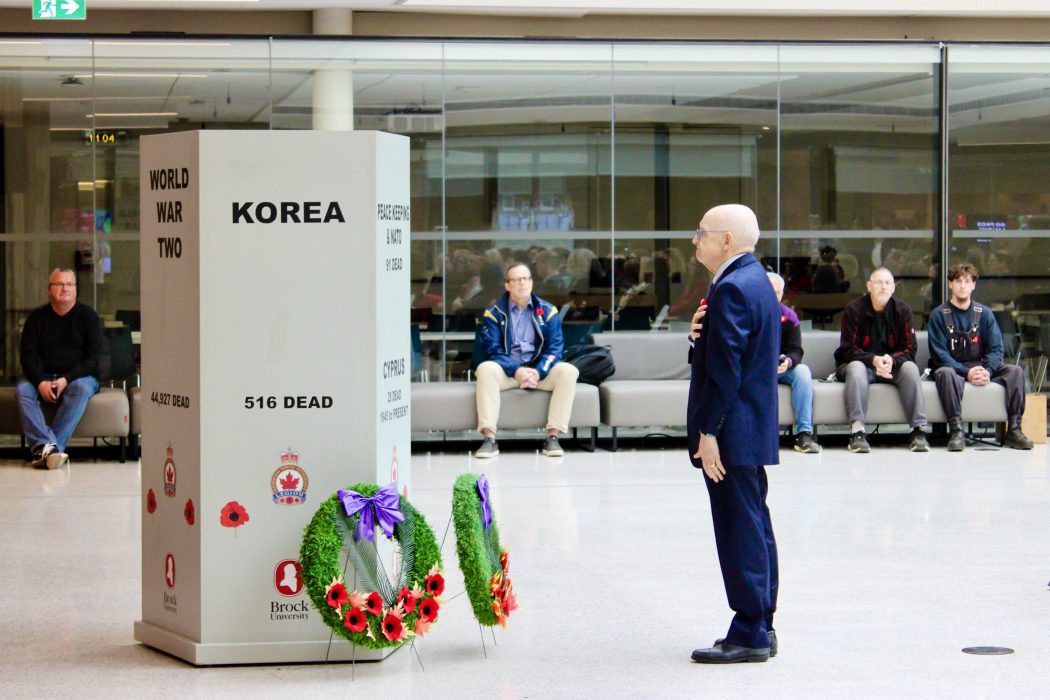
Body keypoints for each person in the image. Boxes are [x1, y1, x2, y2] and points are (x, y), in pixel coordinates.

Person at [687, 204, 781, 665]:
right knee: (755, 525)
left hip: (730, 431)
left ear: (726, 240)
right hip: (749, 425)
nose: (694, 240)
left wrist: (707, 431)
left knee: (739, 530)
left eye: (700, 232)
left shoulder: (731, 289)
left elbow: (726, 372)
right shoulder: (754, 280)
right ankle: (762, 621)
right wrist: (696, 341)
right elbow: (726, 353)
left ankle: (749, 632)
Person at [473, 262, 579, 458]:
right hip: (508, 372)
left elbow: (555, 349)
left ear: (531, 282)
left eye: (525, 278)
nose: (522, 283)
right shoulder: (494, 313)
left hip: (538, 372)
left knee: (568, 371)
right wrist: (517, 370)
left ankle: (553, 437)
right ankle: (489, 439)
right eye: (516, 279)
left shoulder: (548, 311)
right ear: (507, 285)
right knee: (486, 368)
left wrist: (538, 371)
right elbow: (492, 350)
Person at [928, 263, 1033, 451]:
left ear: (974, 285)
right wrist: (967, 372)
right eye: (958, 281)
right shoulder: (938, 315)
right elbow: (939, 355)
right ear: (950, 284)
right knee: (945, 373)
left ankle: (1014, 430)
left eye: (967, 281)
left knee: (1015, 371)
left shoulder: (984, 314)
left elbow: (996, 349)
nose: (962, 285)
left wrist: (988, 370)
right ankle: (956, 431)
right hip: (953, 368)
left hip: (982, 366)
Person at [834, 267, 929, 453]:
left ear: (893, 287)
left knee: (910, 367)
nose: (883, 287)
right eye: (878, 283)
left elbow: (910, 349)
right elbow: (847, 349)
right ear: (869, 286)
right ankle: (857, 431)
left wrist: (891, 360)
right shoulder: (854, 310)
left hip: (893, 366)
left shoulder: (903, 311)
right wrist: (873, 360)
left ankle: (917, 430)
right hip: (862, 366)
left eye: (887, 283)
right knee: (856, 368)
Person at [16, 268, 102, 469]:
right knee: (23, 390)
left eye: (70, 284)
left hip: (79, 377)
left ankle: (46, 449)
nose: (65, 289)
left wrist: (67, 378)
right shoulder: (36, 319)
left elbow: (93, 359)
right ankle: (52, 451)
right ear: (49, 289)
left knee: (80, 388)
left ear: (76, 290)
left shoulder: (89, 317)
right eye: (59, 284)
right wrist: (39, 382)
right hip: (41, 376)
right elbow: (28, 356)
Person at [767, 272, 820, 453]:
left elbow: (796, 350)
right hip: (756, 369)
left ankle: (804, 433)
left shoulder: (789, 316)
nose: (774, 296)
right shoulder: (748, 313)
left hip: (781, 369)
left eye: (778, 292)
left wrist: (787, 362)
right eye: (769, 291)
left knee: (802, 372)